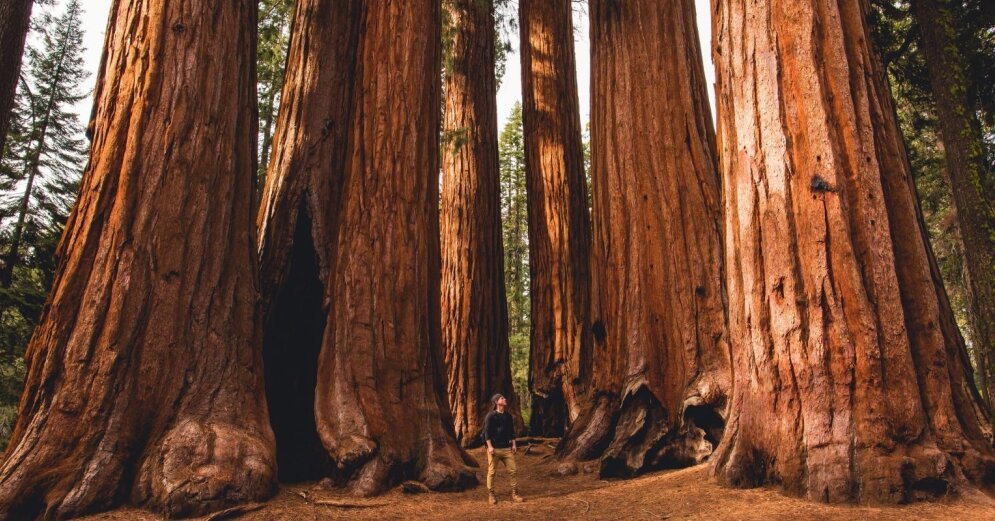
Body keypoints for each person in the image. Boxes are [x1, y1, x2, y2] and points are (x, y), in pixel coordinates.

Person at [484, 393, 522, 505]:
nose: (504, 399)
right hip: (494, 449)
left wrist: (514, 444)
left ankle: (515, 494)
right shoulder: (490, 416)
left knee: (513, 471)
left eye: (504, 397)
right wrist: (490, 447)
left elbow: (511, 431)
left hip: (507, 449)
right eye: (502, 398)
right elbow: (487, 433)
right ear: (496, 402)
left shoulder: (508, 416)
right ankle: (491, 495)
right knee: (491, 472)